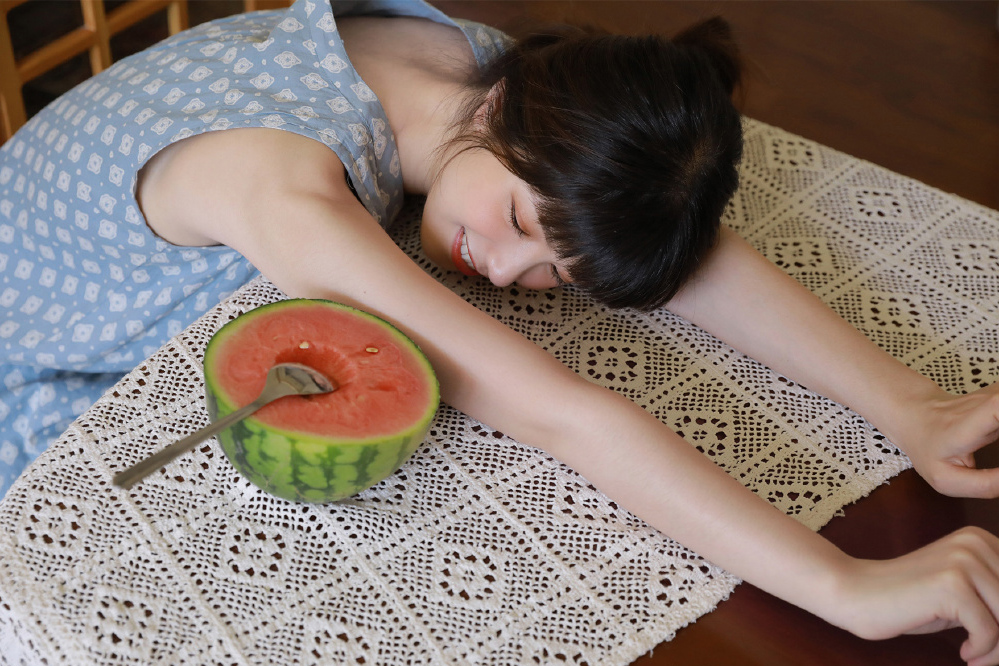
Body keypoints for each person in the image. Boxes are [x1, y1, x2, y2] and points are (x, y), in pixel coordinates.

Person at [2, 0, 998, 662]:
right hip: (38, 371)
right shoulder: (278, 178)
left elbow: (647, 230)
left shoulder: (482, 72)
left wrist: (909, 403)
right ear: (508, 115)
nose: (511, 274)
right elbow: (559, 413)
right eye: (522, 226)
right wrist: (843, 585)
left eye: (550, 269)